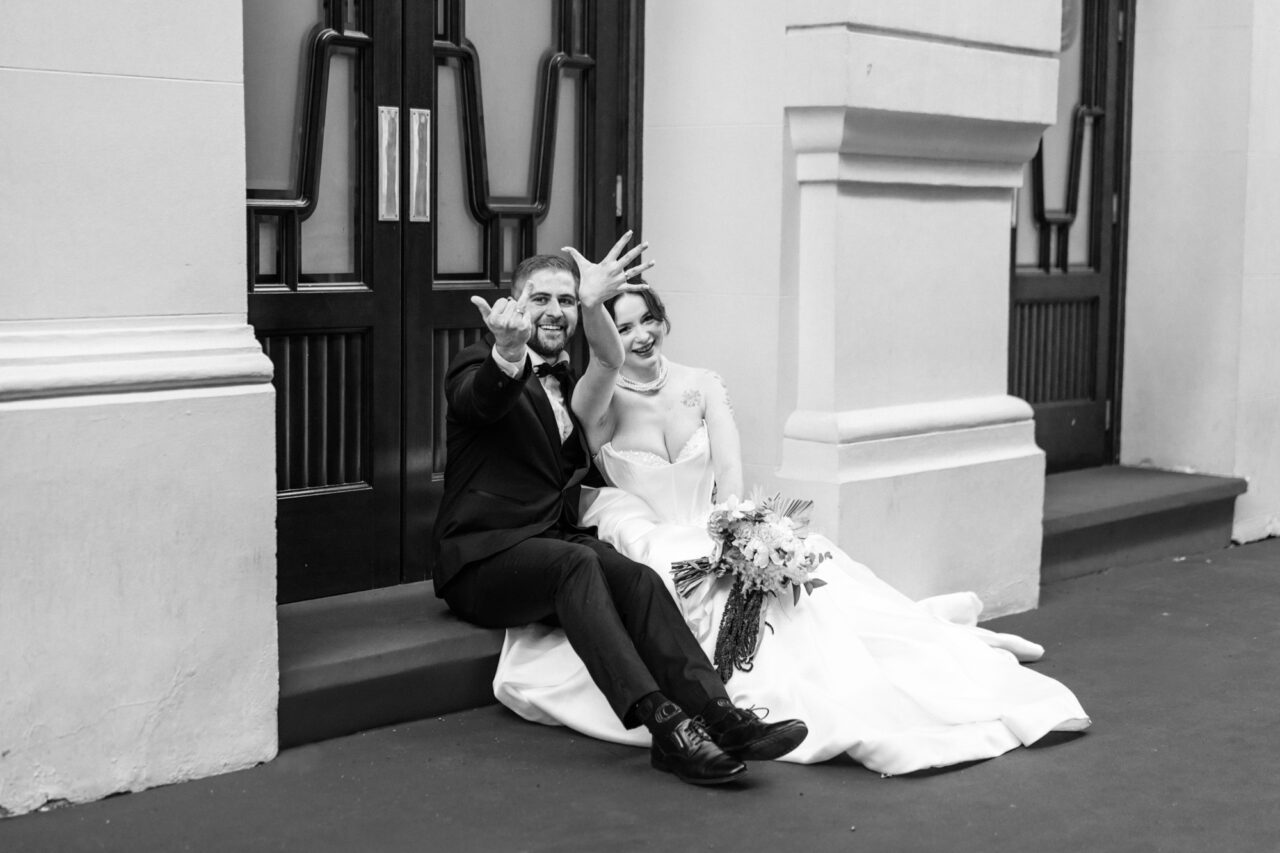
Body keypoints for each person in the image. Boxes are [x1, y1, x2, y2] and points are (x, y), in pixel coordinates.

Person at [493, 272, 1092, 776]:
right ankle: (721, 704)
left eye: (648, 320)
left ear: (664, 320)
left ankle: (811, 687)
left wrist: (739, 532)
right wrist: (592, 309)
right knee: (677, 575)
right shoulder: (598, 401)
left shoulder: (702, 384)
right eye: (623, 327)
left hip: (713, 519)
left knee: (808, 593)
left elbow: (730, 470)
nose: (640, 335)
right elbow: (602, 366)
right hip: (645, 527)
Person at [432, 234, 809, 786]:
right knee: (578, 563)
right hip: (482, 560)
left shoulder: (572, 381)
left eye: (566, 300)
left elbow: (609, 361)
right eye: (540, 299)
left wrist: (594, 301)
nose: (555, 311)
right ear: (515, 305)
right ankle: (667, 729)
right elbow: (478, 400)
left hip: (551, 542)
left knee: (638, 579)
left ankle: (720, 715)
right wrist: (507, 353)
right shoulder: (478, 363)